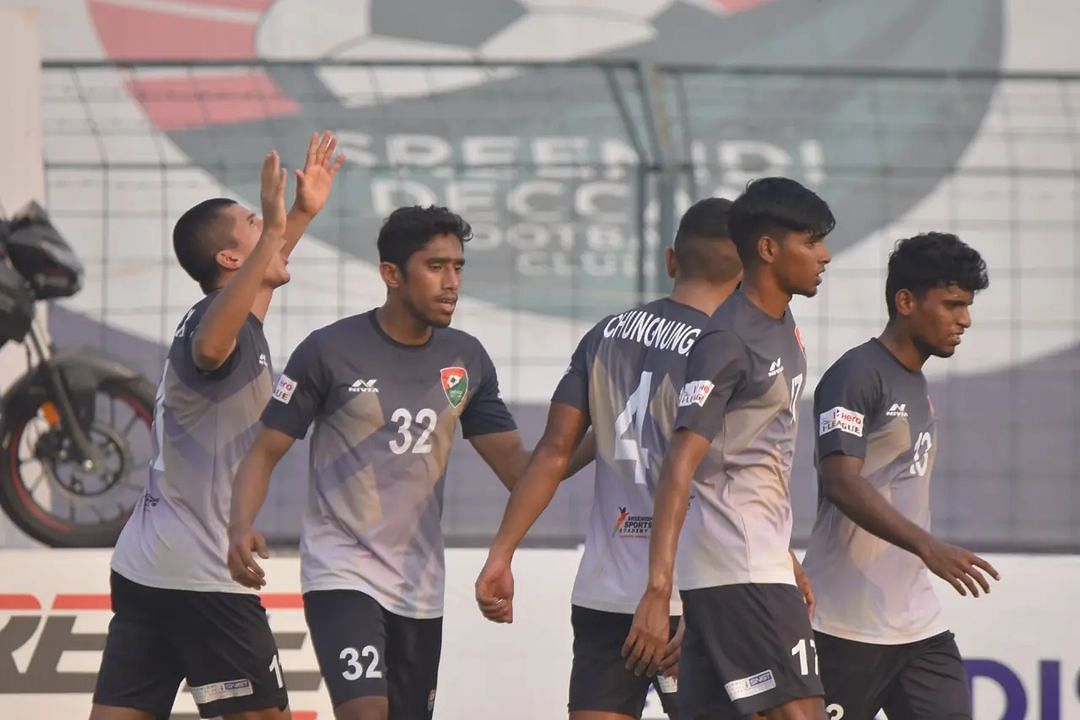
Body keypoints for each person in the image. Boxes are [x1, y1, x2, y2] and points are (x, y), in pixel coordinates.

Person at [226, 205, 542, 720]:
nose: (452, 282)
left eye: (458, 267)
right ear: (391, 275)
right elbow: (263, 451)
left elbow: (519, 472)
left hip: (420, 585)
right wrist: (240, 524)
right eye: (436, 266)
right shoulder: (328, 351)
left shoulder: (467, 358)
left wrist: (594, 434)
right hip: (342, 571)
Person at [92, 133, 345, 720]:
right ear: (231, 260)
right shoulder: (214, 327)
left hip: (146, 568)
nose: (274, 231)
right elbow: (211, 347)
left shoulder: (235, 314)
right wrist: (283, 221)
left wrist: (301, 213)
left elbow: (256, 284)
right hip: (204, 573)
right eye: (260, 223)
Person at [475, 198, 743, 720]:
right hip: (689, 596)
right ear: (747, 274)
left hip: (605, 594)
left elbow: (553, 452)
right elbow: (723, 480)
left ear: (672, 261)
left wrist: (500, 554)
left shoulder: (606, 334)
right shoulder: (724, 347)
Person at [624, 177, 834, 720]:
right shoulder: (726, 340)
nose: (824, 255)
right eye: (810, 241)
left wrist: (782, 559)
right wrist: (658, 590)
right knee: (801, 711)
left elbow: (745, 459)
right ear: (768, 249)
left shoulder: (784, 326)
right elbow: (681, 464)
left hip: (746, 568)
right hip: (741, 571)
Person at [801, 232, 997, 720]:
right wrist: (927, 546)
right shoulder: (855, 375)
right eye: (952, 304)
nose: (964, 320)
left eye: (967, 306)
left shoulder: (916, 381)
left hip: (917, 629)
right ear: (905, 301)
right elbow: (840, 480)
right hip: (844, 626)